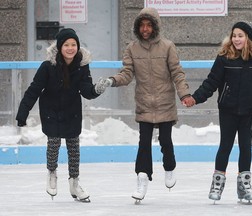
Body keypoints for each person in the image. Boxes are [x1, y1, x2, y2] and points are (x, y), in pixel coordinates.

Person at [98, 7, 194, 201]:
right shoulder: (132, 48)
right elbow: (127, 73)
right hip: (144, 102)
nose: (145, 29)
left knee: (165, 141)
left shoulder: (167, 46)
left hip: (165, 101)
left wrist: (184, 94)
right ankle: (142, 178)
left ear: (155, 26)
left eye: (149, 25)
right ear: (137, 27)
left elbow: (177, 72)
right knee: (144, 144)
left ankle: (169, 167)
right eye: (142, 25)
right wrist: (112, 80)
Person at [190, 21, 252, 203]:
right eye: (234, 35)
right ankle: (217, 184)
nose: (236, 39)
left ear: (249, 38)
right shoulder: (224, 57)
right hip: (228, 109)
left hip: (249, 110)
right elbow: (211, 82)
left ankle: (244, 187)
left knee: (246, 146)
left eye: (240, 36)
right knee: (225, 145)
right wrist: (196, 98)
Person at [16, 28, 106, 202]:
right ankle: (51, 173)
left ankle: (74, 183)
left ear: (77, 47)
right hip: (51, 110)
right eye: (66, 45)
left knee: (74, 148)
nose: (70, 48)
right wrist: (23, 112)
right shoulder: (48, 66)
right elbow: (34, 90)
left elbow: (86, 90)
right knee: (54, 142)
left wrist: (96, 90)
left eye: (73, 44)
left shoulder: (81, 66)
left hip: (71, 111)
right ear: (59, 47)